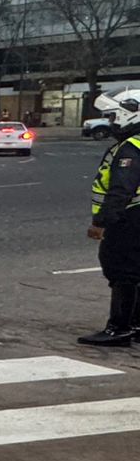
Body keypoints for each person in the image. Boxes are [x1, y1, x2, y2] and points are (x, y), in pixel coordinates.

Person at [82, 91, 140, 345]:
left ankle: (119, 328)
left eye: (113, 115)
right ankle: (136, 325)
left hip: (129, 218)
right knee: (136, 270)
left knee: (121, 269)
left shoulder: (130, 149)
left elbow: (121, 189)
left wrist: (102, 222)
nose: (110, 121)